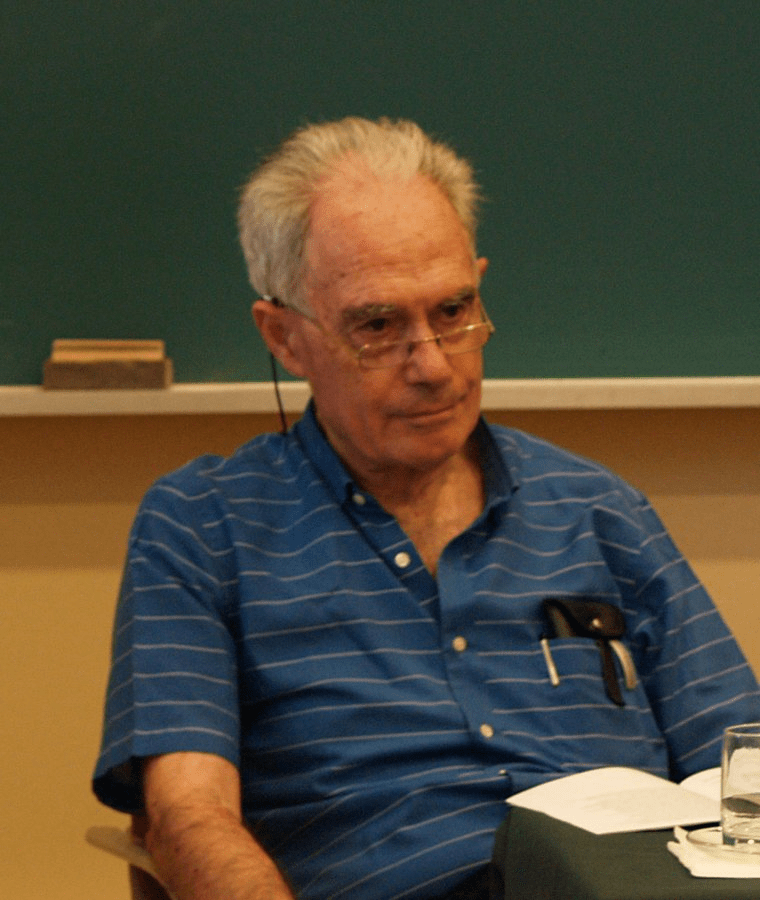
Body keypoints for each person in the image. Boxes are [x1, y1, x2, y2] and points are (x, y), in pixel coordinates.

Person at [93, 117, 760, 900]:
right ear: (284, 337)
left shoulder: (595, 508)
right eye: (378, 327)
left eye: (453, 311)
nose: (435, 366)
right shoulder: (204, 525)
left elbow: (742, 765)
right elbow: (188, 815)